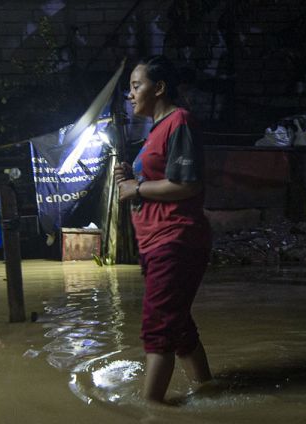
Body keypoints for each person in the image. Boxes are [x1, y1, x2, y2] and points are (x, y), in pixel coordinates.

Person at [114, 56, 213, 403]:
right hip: (157, 243)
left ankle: (150, 414)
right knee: (178, 328)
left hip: (176, 239)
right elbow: (158, 183)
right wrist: (133, 179)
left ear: (159, 88)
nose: (130, 95)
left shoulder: (179, 121)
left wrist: (136, 188)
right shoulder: (154, 132)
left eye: (136, 86)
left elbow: (188, 185)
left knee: (157, 330)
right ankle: (208, 390)